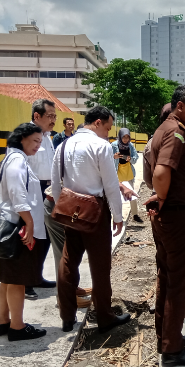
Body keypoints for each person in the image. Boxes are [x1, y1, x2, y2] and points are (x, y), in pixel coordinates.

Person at [144, 86, 185, 366]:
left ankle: (167, 337)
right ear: (180, 106)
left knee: (167, 277)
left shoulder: (165, 129)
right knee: (178, 283)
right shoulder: (176, 131)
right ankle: (172, 351)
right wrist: (161, 197)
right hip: (177, 216)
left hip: (170, 216)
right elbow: (161, 172)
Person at [51, 106, 131, 333]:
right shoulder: (101, 145)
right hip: (95, 212)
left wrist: (63, 208)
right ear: (97, 122)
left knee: (68, 263)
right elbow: (110, 184)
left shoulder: (64, 145)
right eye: (107, 127)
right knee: (100, 266)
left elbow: (56, 183)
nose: (108, 133)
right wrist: (117, 215)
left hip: (70, 211)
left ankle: (67, 317)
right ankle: (104, 317)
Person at [0, 123, 47, 342]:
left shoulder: (11, 158)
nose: (37, 146)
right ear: (22, 138)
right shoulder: (17, 161)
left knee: (7, 278)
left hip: (8, 225)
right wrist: (29, 224)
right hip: (15, 228)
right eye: (35, 141)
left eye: (40, 142)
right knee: (17, 280)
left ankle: (3, 321)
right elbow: (17, 194)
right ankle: (17, 326)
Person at [25, 99, 58, 300]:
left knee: (45, 235)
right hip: (33, 189)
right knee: (32, 237)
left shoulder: (46, 137)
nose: (54, 120)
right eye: (50, 116)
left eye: (55, 116)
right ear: (37, 116)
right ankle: (25, 281)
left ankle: (36, 276)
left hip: (47, 188)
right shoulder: (28, 135)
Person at [112, 128, 142, 223]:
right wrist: (114, 157)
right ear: (120, 137)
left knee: (131, 192)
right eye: (123, 137)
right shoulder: (113, 145)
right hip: (117, 171)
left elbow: (135, 157)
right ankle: (117, 217)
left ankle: (135, 214)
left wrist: (130, 159)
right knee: (117, 195)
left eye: (127, 137)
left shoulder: (130, 145)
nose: (125, 139)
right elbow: (107, 158)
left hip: (128, 170)